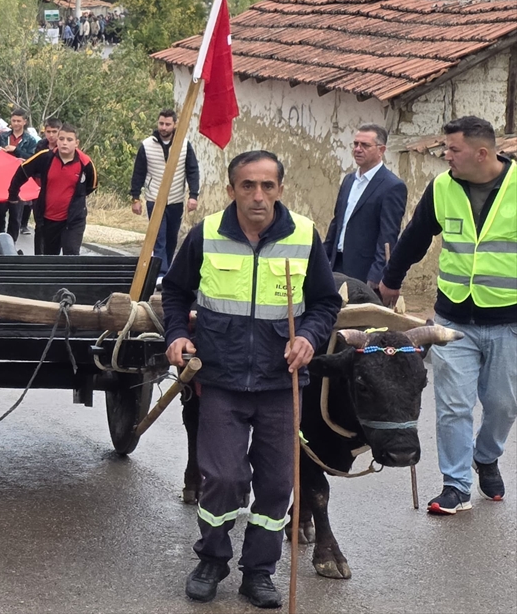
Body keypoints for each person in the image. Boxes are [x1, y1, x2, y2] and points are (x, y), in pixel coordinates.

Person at [161, 149, 341, 609]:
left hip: (281, 386)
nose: (257, 196)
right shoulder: (206, 234)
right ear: (231, 190)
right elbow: (176, 291)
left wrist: (311, 340)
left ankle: (259, 573)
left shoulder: (304, 236)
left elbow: (324, 303)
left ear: (280, 189)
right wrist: (178, 335)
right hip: (220, 381)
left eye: (267, 186)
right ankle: (212, 561)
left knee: (279, 485)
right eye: (247, 186)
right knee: (222, 478)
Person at [380, 116, 516, 514]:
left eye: (453, 149)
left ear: (482, 153)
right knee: (453, 405)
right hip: (452, 319)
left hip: (508, 320)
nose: (446, 156)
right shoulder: (442, 187)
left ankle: (486, 456)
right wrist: (391, 281)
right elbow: (417, 236)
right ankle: (455, 485)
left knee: (504, 406)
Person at [322, 124, 407, 288]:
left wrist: (376, 275)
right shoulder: (349, 181)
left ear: (381, 150)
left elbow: (388, 235)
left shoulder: (392, 186)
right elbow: (337, 223)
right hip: (336, 263)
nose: (358, 149)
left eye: (365, 145)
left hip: (364, 270)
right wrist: (324, 259)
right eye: (355, 144)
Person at [131, 109, 201, 284]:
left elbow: (192, 171)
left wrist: (193, 195)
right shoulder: (147, 145)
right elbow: (138, 172)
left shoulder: (184, 145)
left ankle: (167, 271)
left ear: (175, 124)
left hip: (176, 200)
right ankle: (161, 275)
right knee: (159, 238)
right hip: (154, 198)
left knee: (171, 239)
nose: (163, 127)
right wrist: (135, 197)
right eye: (161, 123)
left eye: (167, 124)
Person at [6, 124, 96, 256]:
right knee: (50, 257)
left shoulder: (85, 163)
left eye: (69, 140)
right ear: (57, 141)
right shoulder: (45, 157)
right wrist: (13, 194)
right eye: (62, 139)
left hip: (73, 219)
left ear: (76, 143)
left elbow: (91, 185)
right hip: (48, 218)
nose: (65, 143)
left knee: (71, 255)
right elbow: (22, 171)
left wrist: (76, 199)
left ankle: (69, 277)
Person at [0, 108, 39, 238]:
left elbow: (32, 159)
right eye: (13, 120)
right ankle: (0, 238)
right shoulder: (3, 137)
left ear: (24, 122)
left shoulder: (31, 140)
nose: (16, 123)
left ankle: (11, 243)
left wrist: (16, 150)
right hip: (2, 179)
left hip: (20, 181)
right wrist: (0, 152)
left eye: (19, 121)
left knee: (15, 214)